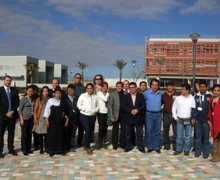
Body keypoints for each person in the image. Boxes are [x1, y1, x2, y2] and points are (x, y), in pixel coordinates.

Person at [44, 86, 69, 157]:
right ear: (54, 94)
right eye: (56, 93)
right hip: (52, 122)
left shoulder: (64, 101)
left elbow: (67, 112)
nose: (58, 94)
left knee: (61, 136)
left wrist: (67, 120)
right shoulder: (50, 101)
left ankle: (61, 150)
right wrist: (47, 120)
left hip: (61, 122)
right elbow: (47, 110)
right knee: (52, 136)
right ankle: (51, 150)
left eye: (59, 93)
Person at [172, 83, 195, 156]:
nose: (181, 90)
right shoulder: (178, 98)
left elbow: (193, 109)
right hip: (180, 120)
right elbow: (173, 108)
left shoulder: (192, 98)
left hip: (189, 120)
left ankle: (186, 150)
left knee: (188, 136)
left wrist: (192, 118)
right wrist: (175, 117)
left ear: (187, 90)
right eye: (181, 89)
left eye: (183, 89)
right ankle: (178, 149)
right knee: (179, 136)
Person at [191, 80, 212, 159]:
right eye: (201, 87)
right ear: (198, 87)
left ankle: (206, 152)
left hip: (206, 121)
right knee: (198, 137)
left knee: (206, 137)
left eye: (204, 87)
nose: (202, 88)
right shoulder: (195, 96)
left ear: (206, 87)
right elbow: (193, 108)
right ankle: (198, 151)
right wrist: (192, 118)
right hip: (198, 120)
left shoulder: (210, 96)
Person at [0, 75, 19, 158]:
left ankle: (11, 149)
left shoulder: (14, 90)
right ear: (4, 81)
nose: (8, 82)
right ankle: (0, 151)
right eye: (7, 80)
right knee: (1, 134)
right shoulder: (0, 90)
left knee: (11, 134)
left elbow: (17, 102)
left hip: (12, 116)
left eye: (9, 80)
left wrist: (12, 111)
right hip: (2, 116)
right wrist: (6, 113)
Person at [77, 83, 99, 155]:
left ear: (93, 89)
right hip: (84, 115)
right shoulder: (83, 96)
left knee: (90, 131)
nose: (89, 89)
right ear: (86, 89)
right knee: (88, 130)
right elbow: (78, 104)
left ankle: (85, 145)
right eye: (88, 88)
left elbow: (98, 106)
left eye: (91, 88)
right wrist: (84, 109)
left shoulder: (95, 97)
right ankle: (88, 147)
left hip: (92, 115)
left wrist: (95, 110)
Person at [123, 82, 146, 153]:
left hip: (138, 117)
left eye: (133, 87)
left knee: (139, 133)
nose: (132, 89)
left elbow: (143, 105)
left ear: (136, 88)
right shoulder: (126, 96)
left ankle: (141, 147)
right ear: (129, 88)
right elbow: (124, 106)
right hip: (129, 117)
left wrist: (137, 110)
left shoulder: (140, 96)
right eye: (131, 87)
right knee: (128, 134)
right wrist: (130, 111)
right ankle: (128, 146)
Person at [144, 78, 162, 153]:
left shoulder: (160, 93)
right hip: (149, 114)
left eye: (156, 85)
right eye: (153, 85)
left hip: (158, 114)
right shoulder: (146, 93)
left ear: (158, 86)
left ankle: (156, 147)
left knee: (157, 131)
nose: (154, 86)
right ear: (151, 85)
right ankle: (150, 147)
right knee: (149, 131)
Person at [162, 81, 180, 151]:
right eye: (168, 86)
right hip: (166, 114)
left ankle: (175, 145)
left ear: (173, 86)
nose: (170, 87)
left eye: (171, 86)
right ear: (166, 87)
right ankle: (166, 145)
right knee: (165, 130)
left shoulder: (177, 94)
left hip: (175, 115)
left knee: (175, 130)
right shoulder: (164, 95)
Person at [108, 81, 126, 150]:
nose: (119, 87)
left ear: (122, 87)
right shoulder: (112, 94)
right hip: (115, 115)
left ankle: (122, 143)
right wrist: (111, 116)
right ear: (116, 87)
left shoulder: (126, 93)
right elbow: (110, 106)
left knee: (123, 130)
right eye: (117, 86)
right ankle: (114, 144)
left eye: (120, 86)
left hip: (124, 115)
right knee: (115, 130)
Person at [33, 86, 50, 154]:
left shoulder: (50, 99)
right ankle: (41, 148)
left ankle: (46, 148)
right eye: (44, 91)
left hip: (47, 118)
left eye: (46, 91)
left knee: (46, 134)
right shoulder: (39, 99)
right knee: (40, 134)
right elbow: (35, 110)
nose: (45, 92)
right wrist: (35, 118)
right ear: (42, 92)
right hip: (40, 118)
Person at [19, 85, 35, 156]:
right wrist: (21, 119)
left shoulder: (33, 99)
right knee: (24, 134)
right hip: (24, 119)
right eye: (29, 91)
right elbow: (20, 110)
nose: (30, 92)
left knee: (29, 134)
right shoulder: (23, 99)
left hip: (31, 119)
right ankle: (24, 149)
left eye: (31, 91)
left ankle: (29, 148)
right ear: (26, 91)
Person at [72, 73, 85, 147]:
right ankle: (71, 141)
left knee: (81, 127)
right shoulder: (71, 87)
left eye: (79, 78)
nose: (78, 79)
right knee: (73, 127)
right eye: (76, 77)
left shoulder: (83, 88)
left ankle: (80, 141)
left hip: (81, 111)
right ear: (74, 78)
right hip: (73, 110)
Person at [208, 84, 220, 162]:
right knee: (215, 139)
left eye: (218, 90)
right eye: (215, 90)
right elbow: (209, 111)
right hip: (213, 122)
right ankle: (215, 154)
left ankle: (218, 155)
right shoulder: (211, 100)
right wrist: (208, 120)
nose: (216, 92)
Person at [96, 82, 109, 149]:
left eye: (106, 86)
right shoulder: (99, 93)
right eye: (103, 86)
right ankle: (99, 143)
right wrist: (108, 93)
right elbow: (106, 99)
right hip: (100, 112)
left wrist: (108, 94)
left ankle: (104, 142)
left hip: (106, 112)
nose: (104, 87)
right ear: (101, 87)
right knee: (101, 127)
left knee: (105, 128)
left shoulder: (108, 94)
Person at [65, 84, 78, 152]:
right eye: (69, 89)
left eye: (72, 90)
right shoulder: (65, 99)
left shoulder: (76, 98)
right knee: (67, 132)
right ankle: (67, 144)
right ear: (67, 90)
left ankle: (71, 144)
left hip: (75, 118)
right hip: (67, 118)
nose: (70, 91)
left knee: (73, 131)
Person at [31, 84, 40, 151]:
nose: (34, 92)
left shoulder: (38, 98)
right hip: (28, 117)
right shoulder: (26, 97)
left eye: (35, 90)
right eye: (33, 90)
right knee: (28, 133)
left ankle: (37, 145)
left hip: (36, 116)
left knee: (36, 132)